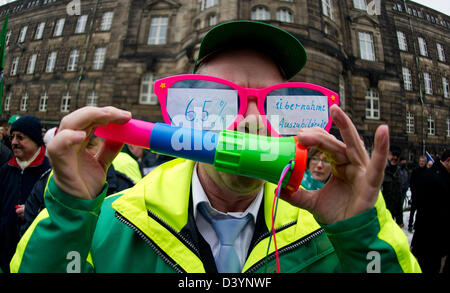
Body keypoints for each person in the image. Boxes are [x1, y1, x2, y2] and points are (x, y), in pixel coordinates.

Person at [11, 20, 419, 273]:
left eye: (273, 104)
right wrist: (69, 216)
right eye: (220, 102)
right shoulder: (111, 222)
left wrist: (363, 236)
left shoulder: (332, 233)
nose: (248, 122)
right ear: (189, 113)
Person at [19, 135, 136, 237]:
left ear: (106, 146)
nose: (80, 152)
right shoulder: (47, 183)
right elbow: (29, 236)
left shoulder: (124, 189)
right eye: (74, 146)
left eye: (89, 145)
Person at [0, 115, 51, 273]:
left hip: (37, 254)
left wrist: (32, 211)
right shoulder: (5, 170)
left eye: (20, 137)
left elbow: (60, 212)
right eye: (12, 137)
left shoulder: (52, 173)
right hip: (5, 255)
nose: (14, 142)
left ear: (35, 140)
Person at [411, 150, 450, 273]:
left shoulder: (440, 175)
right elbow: (429, 212)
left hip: (434, 239)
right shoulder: (435, 178)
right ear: (448, 161)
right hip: (430, 241)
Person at [381, 145, 404, 227]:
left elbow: (399, 196)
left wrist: (400, 219)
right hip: (381, 214)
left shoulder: (398, 173)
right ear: (388, 155)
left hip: (392, 214)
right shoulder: (381, 171)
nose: (395, 157)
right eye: (393, 155)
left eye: (397, 156)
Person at [408, 155, 427, 232]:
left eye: (423, 161)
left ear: (425, 162)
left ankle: (416, 225)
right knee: (412, 212)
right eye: (421, 161)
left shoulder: (427, 171)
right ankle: (410, 225)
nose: (421, 163)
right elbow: (411, 182)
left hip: (423, 196)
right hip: (415, 195)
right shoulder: (415, 171)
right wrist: (413, 191)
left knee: (420, 213)